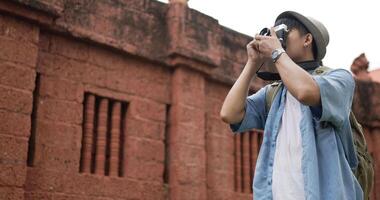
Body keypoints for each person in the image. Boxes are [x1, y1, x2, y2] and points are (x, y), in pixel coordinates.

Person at [220, 11, 363, 200]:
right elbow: (229, 114)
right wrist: (252, 63)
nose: (279, 39)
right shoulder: (275, 93)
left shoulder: (339, 78)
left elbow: (305, 92)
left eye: (284, 32)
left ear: (307, 39)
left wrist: (276, 52)